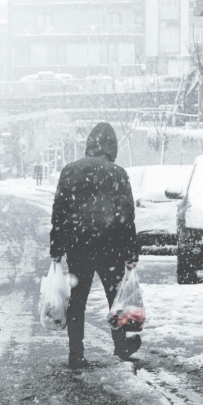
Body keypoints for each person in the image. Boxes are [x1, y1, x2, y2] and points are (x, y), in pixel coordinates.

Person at [49, 122, 140, 369]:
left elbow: (60, 213)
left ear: (89, 144)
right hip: (110, 248)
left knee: (78, 300)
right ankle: (121, 347)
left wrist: (57, 248)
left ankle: (75, 353)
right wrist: (131, 252)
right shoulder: (118, 174)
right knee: (116, 299)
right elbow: (126, 216)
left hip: (79, 247)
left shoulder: (70, 171)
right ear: (112, 146)